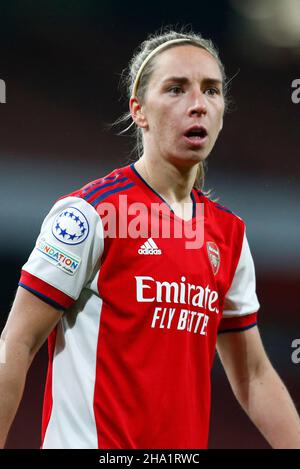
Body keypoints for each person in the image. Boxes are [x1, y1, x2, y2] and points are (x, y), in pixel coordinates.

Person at [1, 28, 300, 450]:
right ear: (138, 110)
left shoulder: (228, 235)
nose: (197, 105)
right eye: (176, 89)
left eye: (211, 91)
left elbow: (252, 374)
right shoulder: (91, 214)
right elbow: (17, 340)